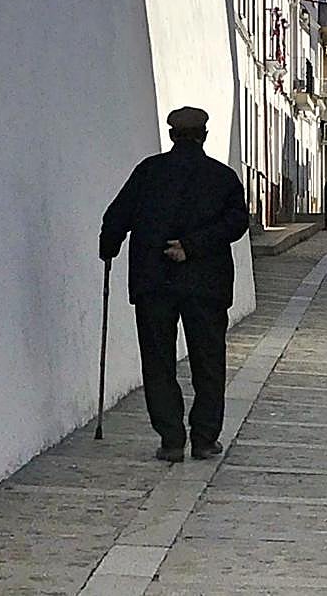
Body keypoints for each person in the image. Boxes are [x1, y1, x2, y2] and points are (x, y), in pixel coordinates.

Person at [99, 105, 249, 463]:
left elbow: (116, 216)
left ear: (171, 136)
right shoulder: (222, 177)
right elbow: (237, 223)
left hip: (154, 282)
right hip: (206, 285)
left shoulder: (148, 172)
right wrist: (195, 246)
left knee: (158, 360)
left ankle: (170, 439)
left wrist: (109, 248)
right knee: (208, 361)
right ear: (204, 135)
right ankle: (204, 438)